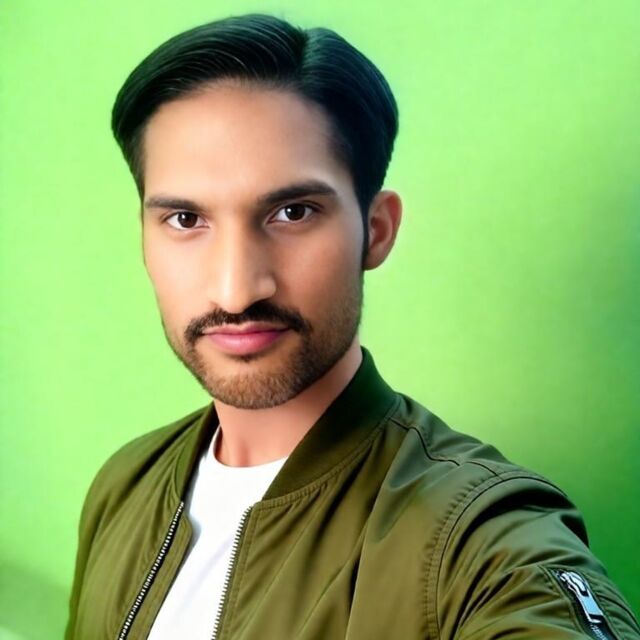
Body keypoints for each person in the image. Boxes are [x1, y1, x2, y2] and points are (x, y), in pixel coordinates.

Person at [65, 12, 639, 640]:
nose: (236, 289)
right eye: (185, 220)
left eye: (292, 212)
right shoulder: (125, 485)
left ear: (376, 230)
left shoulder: (478, 535)